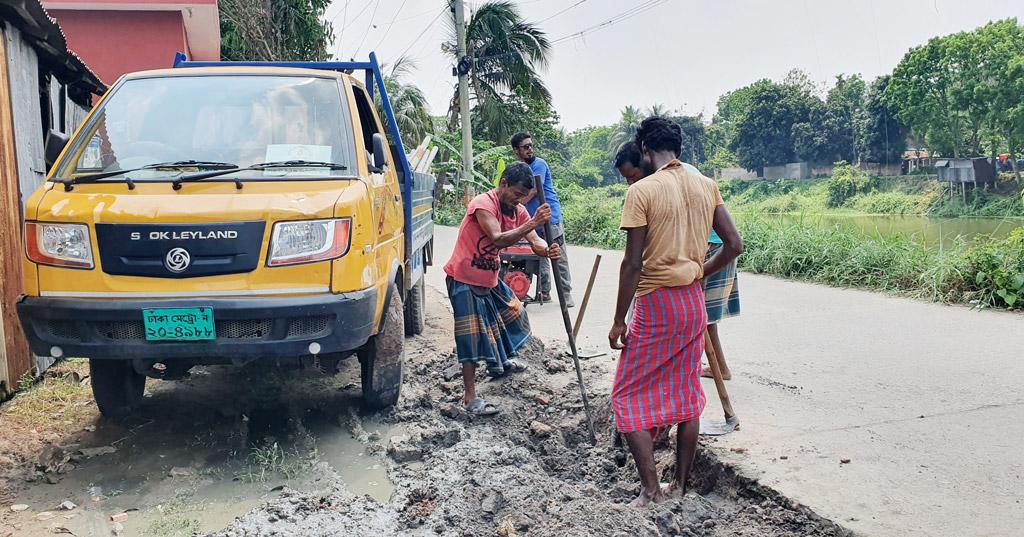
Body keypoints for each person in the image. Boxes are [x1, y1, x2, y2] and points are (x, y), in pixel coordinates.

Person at [608, 117, 742, 506]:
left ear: (646, 150)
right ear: (678, 148)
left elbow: (632, 264)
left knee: (627, 395)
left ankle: (650, 491)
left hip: (656, 304)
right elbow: (733, 244)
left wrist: (619, 319)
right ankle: (679, 487)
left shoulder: (643, 191)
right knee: (686, 395)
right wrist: (701, 270)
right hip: (692, 303)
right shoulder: (706, 184)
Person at [443, 162, 561, 416]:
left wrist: (546, 250)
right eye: (517, 194)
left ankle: (500, 363)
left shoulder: (516, 210)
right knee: (471, 339)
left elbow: (535, 240)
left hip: (489, 278)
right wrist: (533, 224)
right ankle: (470, 397)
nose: (519, 201)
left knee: (514, 316)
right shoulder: (483, 204)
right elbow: (497, 238)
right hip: (464, 277)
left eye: (523, 197)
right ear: (504, 183)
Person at [511, 132, 574, 307]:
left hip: (549, 217)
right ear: (516, 150)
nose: (530, 149)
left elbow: (532, 191)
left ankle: (566, 293)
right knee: (540, 254)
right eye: (525, 147)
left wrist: (512, 205)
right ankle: (544, 292)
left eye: (531, 145)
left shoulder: (539, 164)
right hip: (533, 220)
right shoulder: (519, 168)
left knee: (558, 254)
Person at [702, 228, 741, 380]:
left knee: (704, 316)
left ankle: (720, 368)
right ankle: (718, 366)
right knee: (705, 316)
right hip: (721, 245)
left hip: (713, 246)